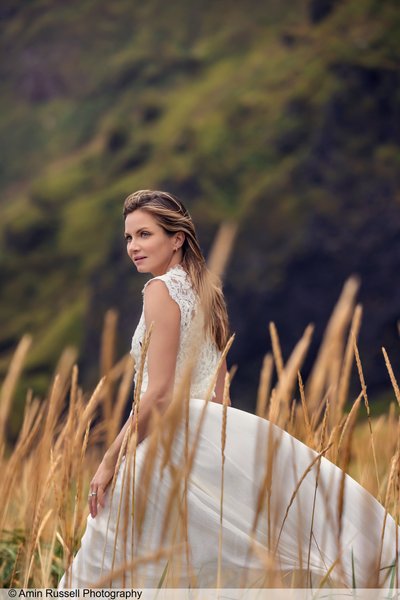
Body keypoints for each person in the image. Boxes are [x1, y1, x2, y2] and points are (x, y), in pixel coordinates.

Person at [59, 190, 399, 589]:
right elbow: (221, 395)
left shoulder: (159, 291)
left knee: (110, 566)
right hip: (211, 435)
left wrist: (109, 463)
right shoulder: (206, 291)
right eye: (129, 238)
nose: (134, 247)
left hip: (164, 440)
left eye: (145, 235)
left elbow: (159, 393)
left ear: (177, 238)